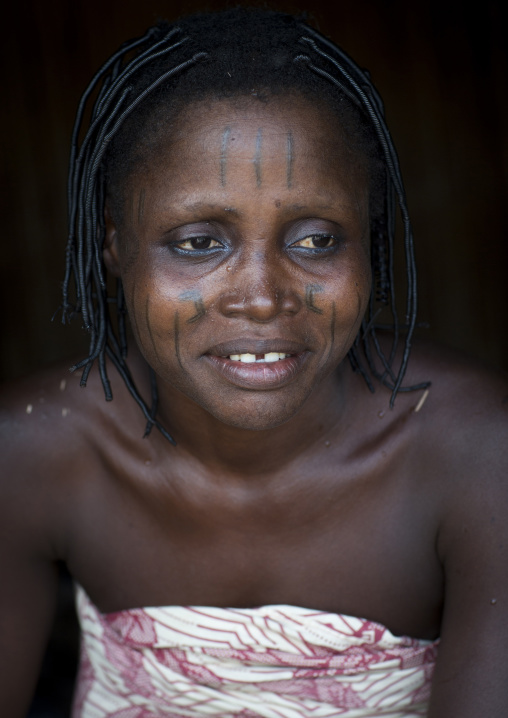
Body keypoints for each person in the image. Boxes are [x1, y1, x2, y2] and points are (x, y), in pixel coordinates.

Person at [1, 7, 507, 717]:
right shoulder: (35, 450)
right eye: (199, 242)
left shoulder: (479, 455)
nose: (263, 298)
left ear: (370, 241)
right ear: (113, 242)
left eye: (316, 239)